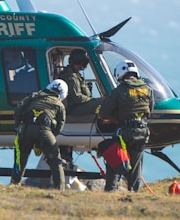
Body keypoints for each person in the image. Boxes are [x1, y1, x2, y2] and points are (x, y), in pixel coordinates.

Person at [98, 60, 154, 192]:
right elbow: (150, 109)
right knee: (136, 167)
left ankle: (110, 192)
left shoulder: (121, 90)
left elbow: (104, 112)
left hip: (125, 132)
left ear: (120, 74)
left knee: (115, 161)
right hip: (143, 132)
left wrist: (114, 119)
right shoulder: (148, 89)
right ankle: (133, 193)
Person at [11, 79, 68, 190]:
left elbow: (18, 109)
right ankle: (60, 189)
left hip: (25, 129)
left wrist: (18, 126)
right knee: (55, 161)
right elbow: (60, 126)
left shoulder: (34, 96)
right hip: (44, 131)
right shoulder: (59, 105)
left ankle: (14, 184)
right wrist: (50, 136)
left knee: (20, 158)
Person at [58, 49, 104, 116]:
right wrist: (94, 100)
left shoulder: (76, 75)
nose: (82, 68)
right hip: (74, 108)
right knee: (103, 103)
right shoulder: (71, 77)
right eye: (80, 65)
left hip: (79, 105)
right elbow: (77, 98)